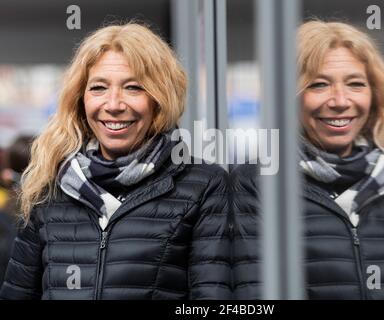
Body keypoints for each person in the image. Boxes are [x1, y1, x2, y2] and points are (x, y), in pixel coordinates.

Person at [0, 23, 231, 300]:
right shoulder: (49, 186)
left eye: (133, 88)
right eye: (98, 88)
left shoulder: (203, 185)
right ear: (80, 100)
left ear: (160, 99)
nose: (113, 104)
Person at [232, 20, 384, 299]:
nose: (340, 100)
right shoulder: (256, 185)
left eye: (355, 84)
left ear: (375, 95)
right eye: (319, 84)